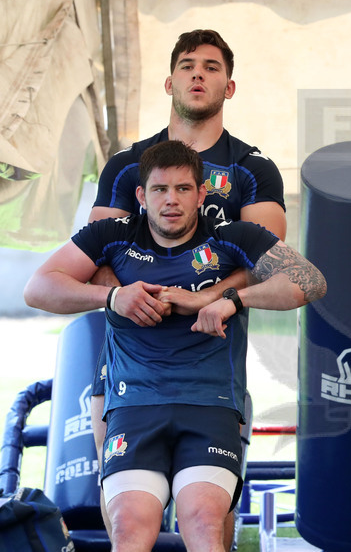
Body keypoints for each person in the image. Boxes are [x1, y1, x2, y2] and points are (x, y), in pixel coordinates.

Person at [24, 140, 325, 552]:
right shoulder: (112, 236)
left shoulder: (232, 236)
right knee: (128, 527)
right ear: (141, 196)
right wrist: (114, 297)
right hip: (134, 404)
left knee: (202, 521)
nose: (171, 200)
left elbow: (310, 281)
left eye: (183, 189)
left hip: (209, 403)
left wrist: (227, 300)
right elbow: (38, 288)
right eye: (160, 189)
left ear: (201, 195)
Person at [88, 28, 287, 545]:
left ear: (229, 86)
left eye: (212, 67)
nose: (198, 74)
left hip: (212, 366)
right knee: (125, 514)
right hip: (127, 366)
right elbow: (93, 257)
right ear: (169, 82)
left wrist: (207, 298)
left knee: (208, 515)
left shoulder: (253, 168)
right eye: (187, 65)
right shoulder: (127, 165)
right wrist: (126, 299)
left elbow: (272, 262)